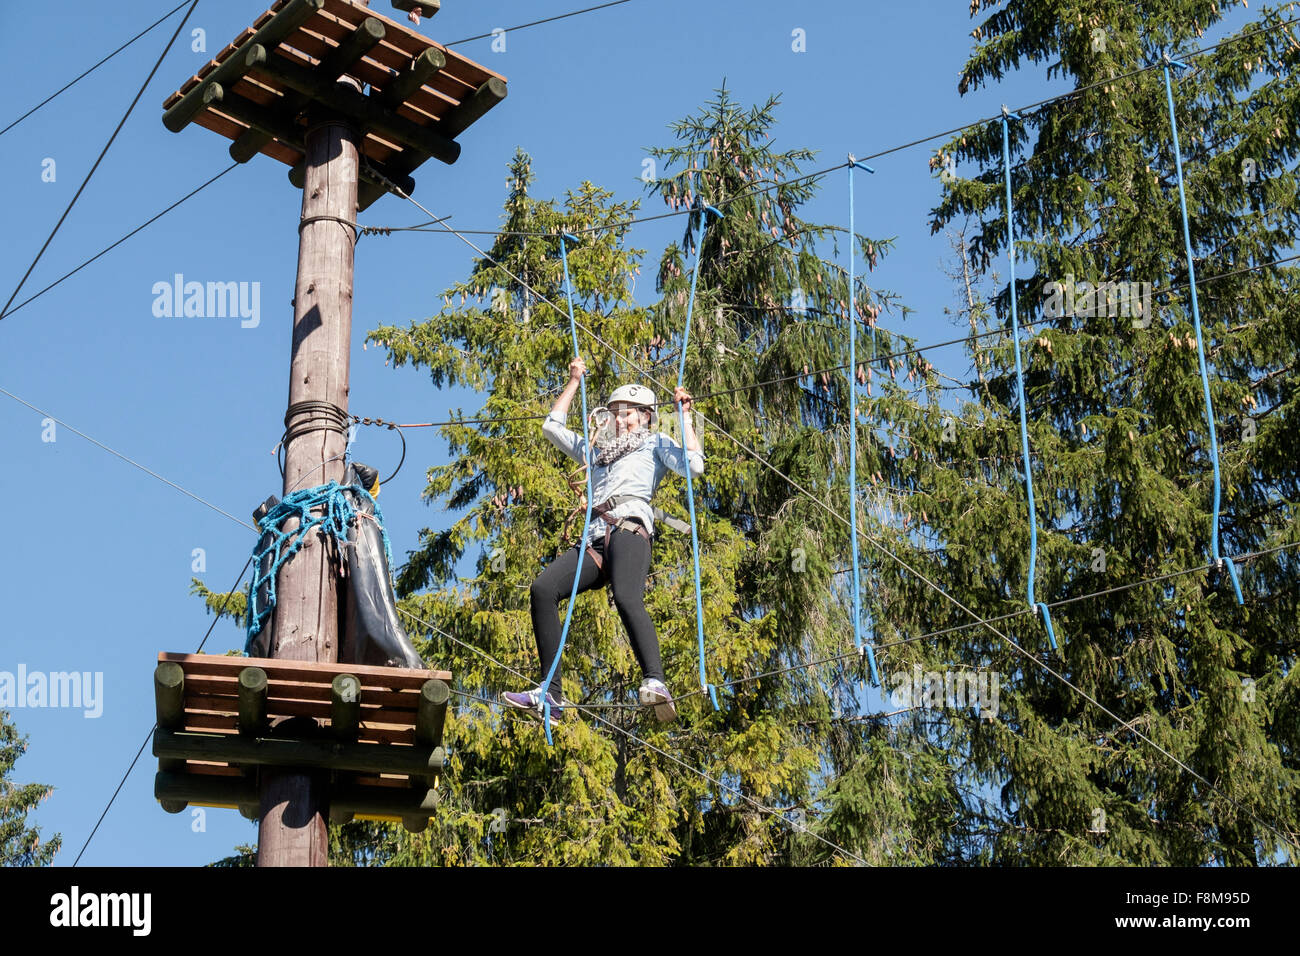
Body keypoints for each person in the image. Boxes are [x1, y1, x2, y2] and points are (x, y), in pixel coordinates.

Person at [503, 356, 704, 723]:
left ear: (645, 416)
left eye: (627, 413)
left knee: (627, 597)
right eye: (614, 413)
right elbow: (552, 427)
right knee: (543, 589)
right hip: (594, 540)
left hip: (629, 528)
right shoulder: (596, 452)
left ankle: (655, 680)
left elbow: (694, 465)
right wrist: (573, 382)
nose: (619, 420)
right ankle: (551, 692)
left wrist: (686, 416)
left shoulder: (655, 443)